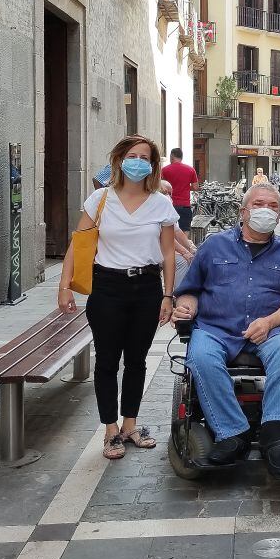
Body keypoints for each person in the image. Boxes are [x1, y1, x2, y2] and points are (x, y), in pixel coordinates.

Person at [172, 184, 280, 479]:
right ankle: (232, 432)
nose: (266, 210)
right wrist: (185, 307)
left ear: (279, 215)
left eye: (273, 206)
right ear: (243, 211)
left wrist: (271, 321)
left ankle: (275, 432)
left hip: (270, 327)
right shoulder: (214, 246)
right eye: (259, 203)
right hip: (215, 327)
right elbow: (190, 290)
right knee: (200, 357)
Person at [58, 135, 178, 459]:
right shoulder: (100, 199)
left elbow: (168, 254)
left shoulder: (160, 204)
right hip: (107, 287)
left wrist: (168, 295)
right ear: (120, 159)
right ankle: (110, 430)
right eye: (132, 155)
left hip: (147, 288)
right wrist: (64, 284)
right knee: (107, 361)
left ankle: (130, 425)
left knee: (137, 361)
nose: (138, 161)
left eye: (145, 157)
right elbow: (78, 245)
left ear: (152, 166)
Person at [160, 181, 198, 282]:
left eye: (170, 193)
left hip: (164, 247)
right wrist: (185, 252)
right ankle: (179, 294)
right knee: (182, 262)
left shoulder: (167, 207)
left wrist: (190, 248)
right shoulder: (157, 206)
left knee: (192, 255)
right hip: (155, 250)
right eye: (164, 193)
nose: (168, 196)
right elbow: (167, 237)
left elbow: (177, 231)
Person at [160, 149, 199, 233]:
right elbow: (195, 187)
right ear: (181, 157)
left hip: (169, 205)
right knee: (185, 229)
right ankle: (184, 245)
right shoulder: (190, 170)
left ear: (171, 156)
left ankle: (172, 246)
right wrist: (186, 187)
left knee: (169, 230)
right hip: (185, 205)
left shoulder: (164, 170)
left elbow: (159, 186)